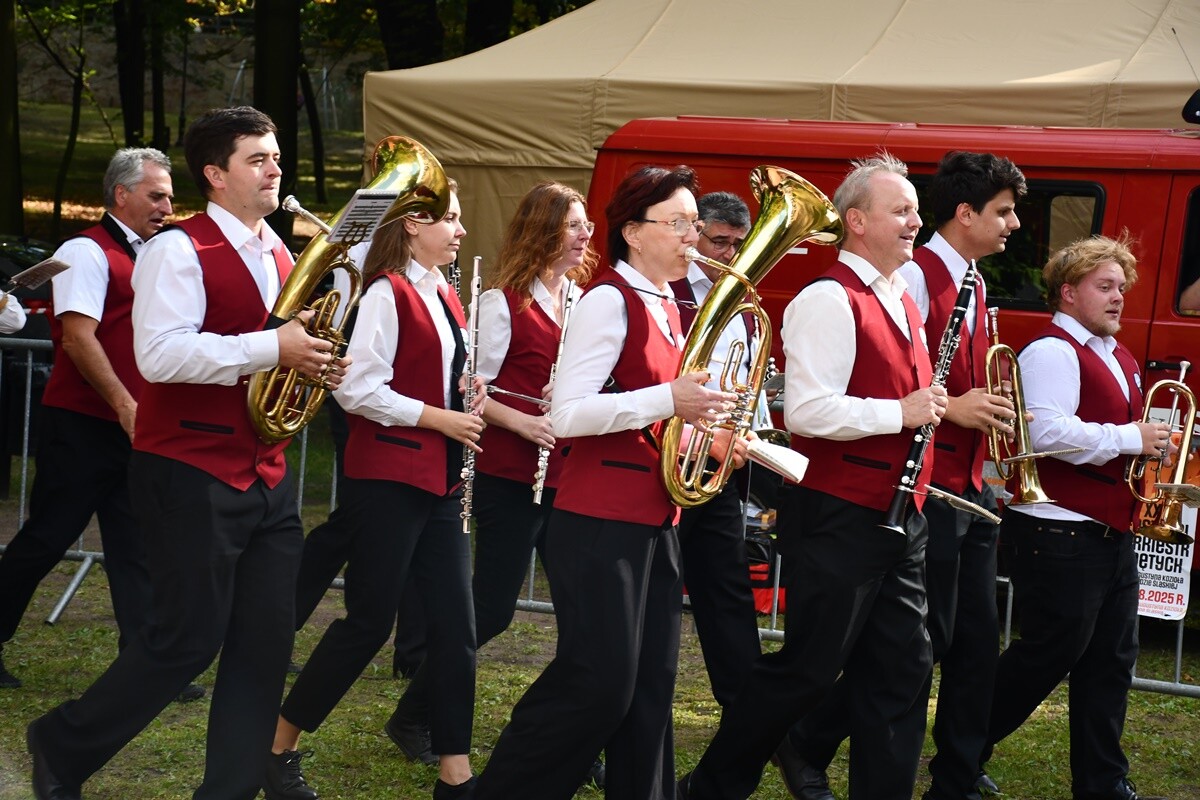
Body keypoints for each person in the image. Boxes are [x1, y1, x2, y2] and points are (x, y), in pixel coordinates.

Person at [25, 105, 348, 800]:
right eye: (257, 159)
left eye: (275, 157)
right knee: (185, 642)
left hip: (264, 471)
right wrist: (275, 346)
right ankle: (61, 742)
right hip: (189, 469)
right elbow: (160, 355)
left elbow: (274, 353)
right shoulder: (177, 249)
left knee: (265, 648)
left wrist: (313, 362)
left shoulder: (282, 253)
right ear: (215, 174)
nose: (274, 169)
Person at [679, 152, 948, 800]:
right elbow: (805, 411)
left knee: (904, 665)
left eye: (915, 208)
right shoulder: (828, 299)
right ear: (856, 221)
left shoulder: (901, 298)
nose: (916, 221)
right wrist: (901, 411)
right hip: (838, 515)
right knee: (807, 671)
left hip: (898, 515)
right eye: (901, 210)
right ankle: (711, 786)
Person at [473, 165, 738, 800]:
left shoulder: (670, 304)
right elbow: (568, 414)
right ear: (633, 233)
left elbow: (658, 413)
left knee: (650, 688)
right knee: (599, 684)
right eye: (678, 223)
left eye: (693, 224)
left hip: (656, 515)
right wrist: (668, 398)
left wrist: (710, 435)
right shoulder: (608, 298)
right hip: (599, 520)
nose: (691, 236)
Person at [780, 151, 1026, 800]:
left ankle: (955, 772)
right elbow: (896, 391)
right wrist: (951, 409)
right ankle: (805, 736)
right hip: (905, 492)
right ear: (966, 214)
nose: (1015, 225)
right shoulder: (908, 279)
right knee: (909, 648)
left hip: (959, 486)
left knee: (951, 644)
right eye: (1003, 211)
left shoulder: (966, 279)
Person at [377, 181, 606, 786]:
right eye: (574, 224)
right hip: (511, 473)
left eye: (586, 225)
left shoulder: (582, 300)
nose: (586, 235)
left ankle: (580, 738)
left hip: (570, 474)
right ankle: (415, 714)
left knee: (585, 613)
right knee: (493, 607)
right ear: (543, 229)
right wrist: (524, 420)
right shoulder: (501, 303)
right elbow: (472, 387)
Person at [268, 179, 483, 800]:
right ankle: (279, 744)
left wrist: (471, 400)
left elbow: (440, 380)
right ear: (413, 225)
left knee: (456, 630)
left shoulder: (444, 292)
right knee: (367, 625)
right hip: (387, 478)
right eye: (451, 220)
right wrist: (440, 417)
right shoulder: (387, 292)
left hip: (437, 481)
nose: (461, 231)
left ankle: (456, 775)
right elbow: (357, 389)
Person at [979, 235, 1171, 800]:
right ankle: (964, 746)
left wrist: (1151, 444)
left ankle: (1103, 782)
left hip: (1109, 526)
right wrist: (1129, 437)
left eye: (1121, 288)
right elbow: (1045, 432)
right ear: (1068, 293)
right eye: (1104, 287)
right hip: (1057, 525)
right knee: (1046, 655)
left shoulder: (1119, 354)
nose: (1118, 298)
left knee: (1110, 662)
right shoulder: (1052, 351)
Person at [0, 148, 177, 694]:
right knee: (48, 537)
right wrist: (126, 406)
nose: (167, 206)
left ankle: (142, 665)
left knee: (135, 542)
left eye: (170, 195)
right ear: (121, 195)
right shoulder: (84, 250)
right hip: (83, 424)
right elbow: (77, 338)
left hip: (129, 425)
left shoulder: (154, 253)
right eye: (156, 195)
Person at [666, 190, 763, 709]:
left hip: (719, 466)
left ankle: (748, 711)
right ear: (695, 233)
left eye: (736, 244)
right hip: (667, 460)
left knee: (727, 592)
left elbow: (742, 382)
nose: (728, 254)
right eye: (719, 241)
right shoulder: (668, 290)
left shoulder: (743, 303)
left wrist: (745, 433)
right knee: (654, 596)